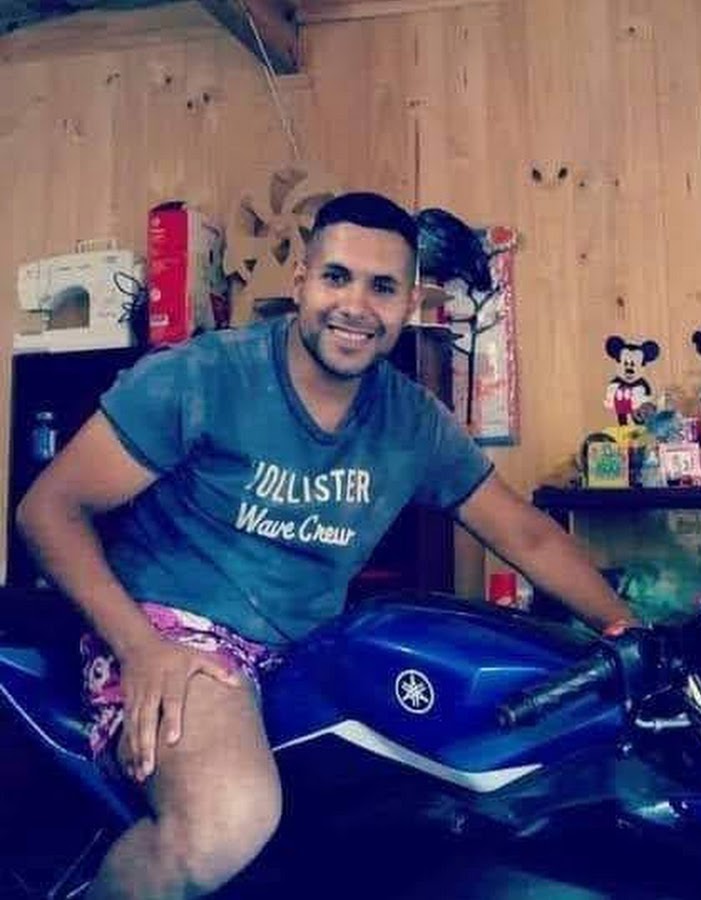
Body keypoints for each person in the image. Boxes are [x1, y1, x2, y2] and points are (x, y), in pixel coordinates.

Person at [16, 192, 636, 899]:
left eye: (382, 287)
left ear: (409, 304)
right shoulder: (204, 376)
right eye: (337, 277)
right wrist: (140, 648)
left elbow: (525, 531)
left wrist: (631, 633)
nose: (355, 306)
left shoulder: (412, 421)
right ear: (302, 280)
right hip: (172, 633)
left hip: (305, 653)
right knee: (226, 821)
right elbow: (48, 510)